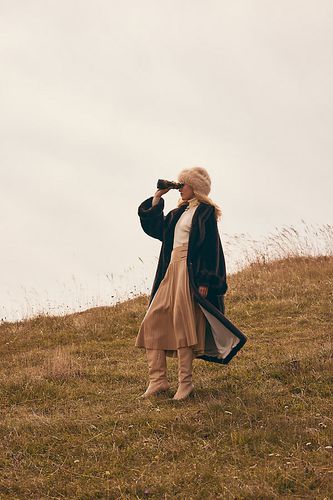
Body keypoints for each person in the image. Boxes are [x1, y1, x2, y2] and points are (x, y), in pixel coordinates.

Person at [135, 166, 246, 400]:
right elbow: (156, 229)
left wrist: (206, 279)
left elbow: (211, 247)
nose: (180, 188)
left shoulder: (205, 212)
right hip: (171, 270)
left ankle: (185, 384)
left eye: (183, 184)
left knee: (183, 325)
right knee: (153, 319)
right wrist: (157, 198)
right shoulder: (177, 213)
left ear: (195, 188)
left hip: (190, 273)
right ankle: (158, 380)